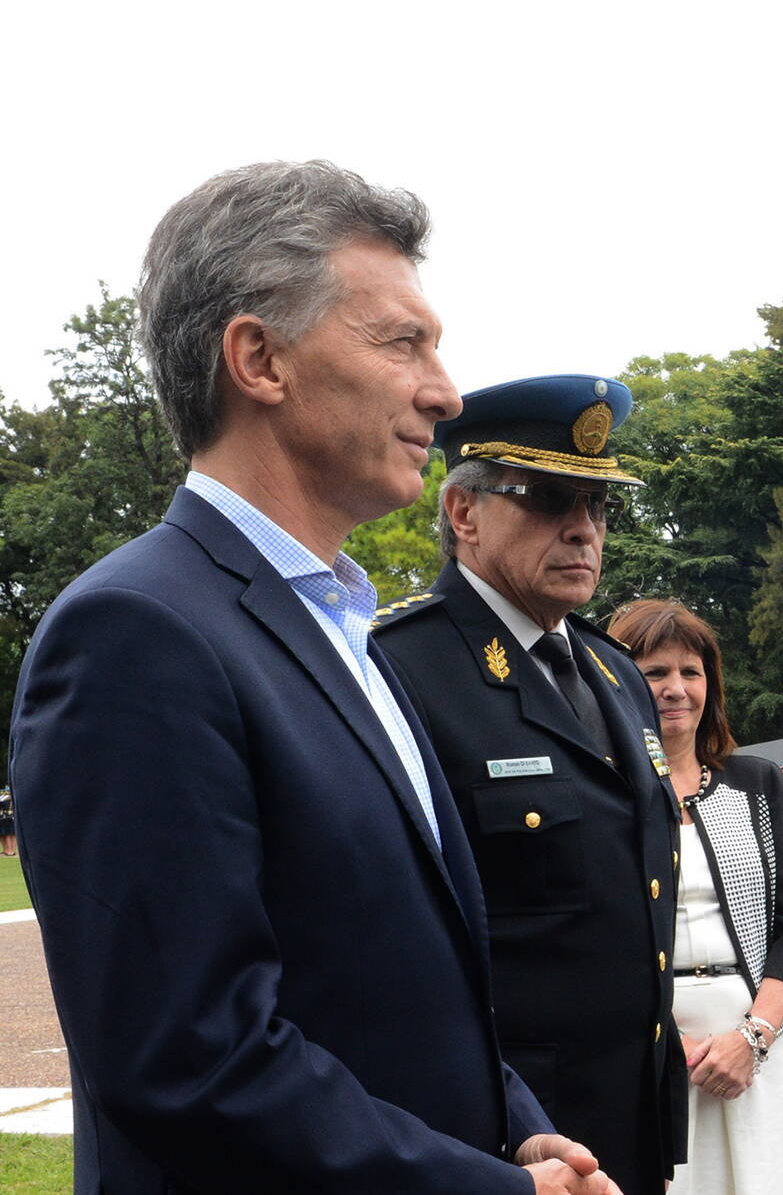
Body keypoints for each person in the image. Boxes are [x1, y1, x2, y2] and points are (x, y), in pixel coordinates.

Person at [8, 161, 614, 1193]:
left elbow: (385, 979)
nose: (445, 389)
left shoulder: (341, 626)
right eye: (400, 341)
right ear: (259, 359)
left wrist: (511, 1125)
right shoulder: (138, 632)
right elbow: (189, 1060)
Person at [371, 373, 685, 1194]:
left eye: (598, 507)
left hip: (633, 1111)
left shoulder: (613, 673)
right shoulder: (399, 669)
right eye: (548, 500)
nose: (583, 530)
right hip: (508, 1133)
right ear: (463, 513)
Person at [606, 599, 783, 1195]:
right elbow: (590, 940)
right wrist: (667, 1044)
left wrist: (752, 1038)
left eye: (690, 672)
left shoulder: (754, 784)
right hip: (648, 1049)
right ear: (617, 679)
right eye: (655, 672)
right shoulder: (599, 796)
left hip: (759, 1045)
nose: (675, 689)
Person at [0, 784, 14, 858]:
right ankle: (10, 850)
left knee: (7, 834)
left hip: (5, 817)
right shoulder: (13, 798)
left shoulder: (4, 799)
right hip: (11, 817)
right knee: (11, 834)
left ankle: (9, 850)